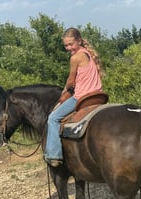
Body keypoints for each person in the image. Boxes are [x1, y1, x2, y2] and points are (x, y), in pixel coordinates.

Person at [44, 27, 103, 167]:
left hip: (82, 97)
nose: (69, 47)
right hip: (98, 94)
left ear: (79, 41)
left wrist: (64, 91)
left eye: (71, 44)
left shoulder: (75, 58)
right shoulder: (89, 53)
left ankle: (54, 155)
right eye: (66, 45)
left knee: (53, 118)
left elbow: (71, 81)